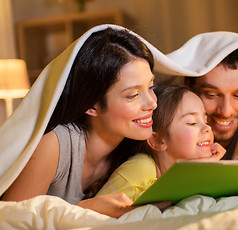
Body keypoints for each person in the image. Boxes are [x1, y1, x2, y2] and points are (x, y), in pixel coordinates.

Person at [1, 27, 170, 218]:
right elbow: (9, 222)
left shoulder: (137, 150)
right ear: (92, 105)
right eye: (133, 95)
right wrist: (85, 209)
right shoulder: (54, 146)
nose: (152, 103)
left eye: (151, 86)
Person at [96, 84, 226, 201]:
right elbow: (94, 211)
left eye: (205, 121)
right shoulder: (141, 168)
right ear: (157, 141)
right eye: (192, 122)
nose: (207, 128)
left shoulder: (189, 175)